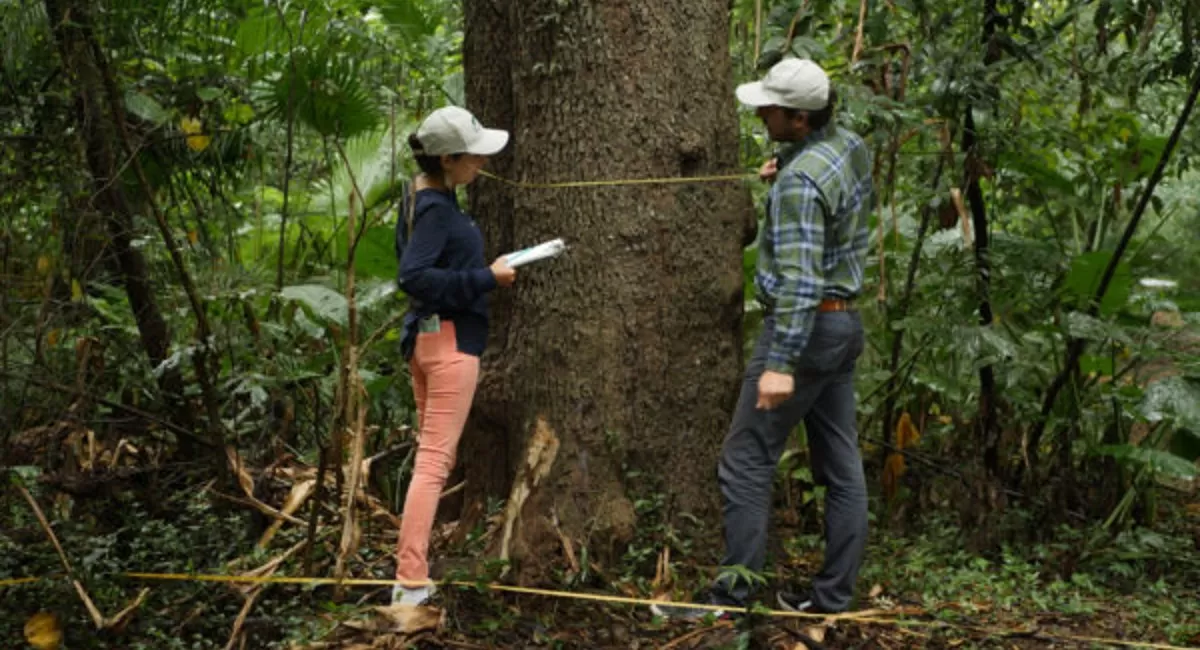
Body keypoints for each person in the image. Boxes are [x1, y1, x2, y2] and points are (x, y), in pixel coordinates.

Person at [653, 57, 873, 620]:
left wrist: (780, 362)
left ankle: (731, 600)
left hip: (806, 330)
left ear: (799, 119)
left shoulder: (801, 182)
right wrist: (790, 169)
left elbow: (801, 278)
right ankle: (832, 600)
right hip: (843, 325)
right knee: (842, 465)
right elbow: (833, 196)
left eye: (770, 109)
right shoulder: (844, 145)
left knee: (745, 459)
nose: (760, 112)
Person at [391, 105, 517, 606]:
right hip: (449, 345)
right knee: (434, 462)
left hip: (427, 341)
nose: (481, 164)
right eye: (473, 156)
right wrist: (487, 277)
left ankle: (412, 574)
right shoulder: (437, 211)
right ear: (446, 159)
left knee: (431, 458)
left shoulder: (419, 197)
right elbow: (414, 276)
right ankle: (411, 580)